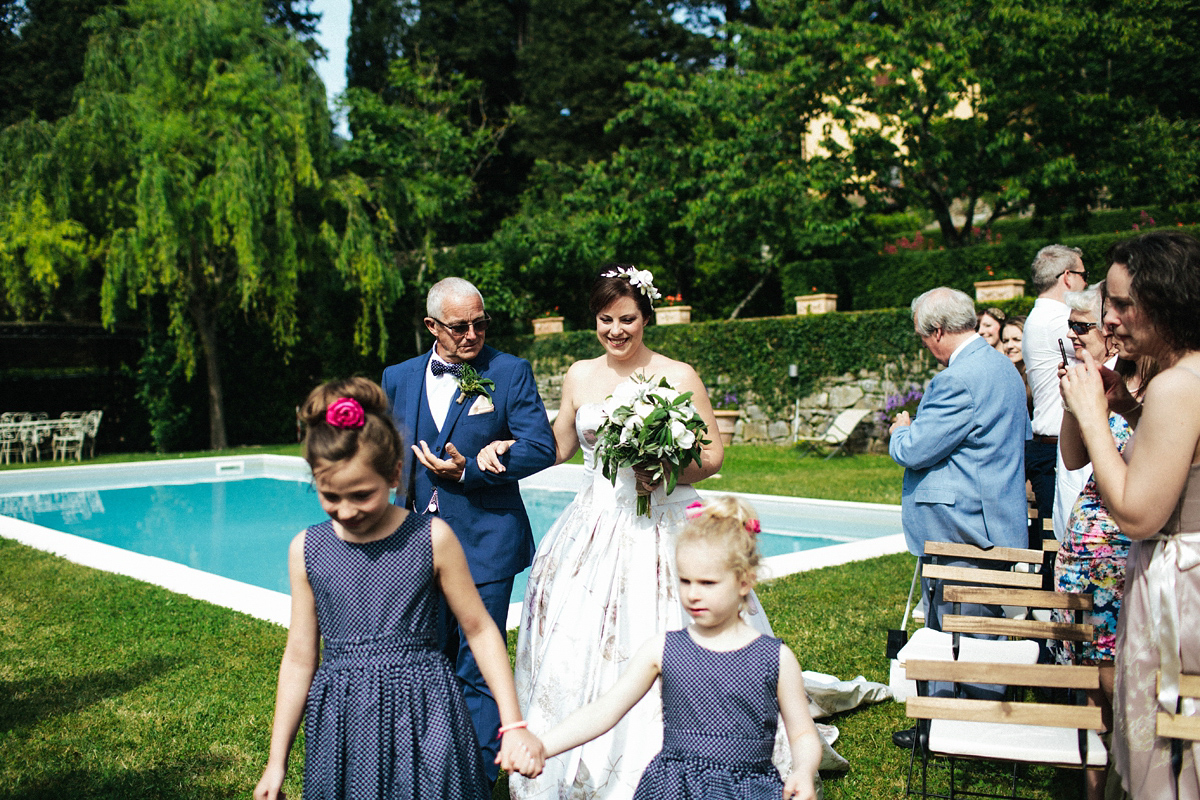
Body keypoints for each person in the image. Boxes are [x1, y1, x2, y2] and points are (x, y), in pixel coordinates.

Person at [493, 265, 781, 799]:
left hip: (662, 525)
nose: (616, 330)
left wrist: (670, 470)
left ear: (645, 317)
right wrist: (503, 447)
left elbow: (713, 455)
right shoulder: (580, 374)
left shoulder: (678, 373)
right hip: (591, 526)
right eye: (605, 320)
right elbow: (559, 445)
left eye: (627, 318)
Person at [253, 378, 543, 800]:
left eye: (361, 495)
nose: (346, 510)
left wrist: (513, 724)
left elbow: (480, 630)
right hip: (343, 718)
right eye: (330, 496)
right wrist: (276, 762)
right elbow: (299, 657)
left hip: (427, 711)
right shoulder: (307, 550)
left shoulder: (431, 538)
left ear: (393, 475)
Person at [510, 497, 822, 800]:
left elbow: (802, 733)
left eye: (708, 583)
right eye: (685, 581)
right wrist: (543, 745)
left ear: (744, 582)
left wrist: (804, 771)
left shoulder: (774, 658)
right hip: (674, 787)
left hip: (747, 789)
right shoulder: (664, 649)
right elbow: (605, 710)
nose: (693, 594)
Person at [380, 277, 556, 781]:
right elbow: (390, 452)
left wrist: (473, 469)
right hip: (415, 543)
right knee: (425, 663)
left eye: (480, 323)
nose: (472, 334)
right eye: (459, 327)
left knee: (478, 666)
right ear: (433, 326)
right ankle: (426, 770)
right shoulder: (398, 377)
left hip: (486, 541)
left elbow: (539, 446)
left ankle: (473, 784)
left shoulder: (509, 371)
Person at [1059, 231, 1200, 798]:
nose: (1108, 319)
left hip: (1181, 600)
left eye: (1121, 304)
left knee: (1173, 754)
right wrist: (1127, 410)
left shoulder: (1178, 384)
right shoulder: (1182, 381)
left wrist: (1095, 416)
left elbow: (1140, 515)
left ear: (1166, 302)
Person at [888, 287, 1030, 747]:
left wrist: (900, 430)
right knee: (968, 623)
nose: (925, 347)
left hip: (962, 526)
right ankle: (947, 721)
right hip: (992, 515)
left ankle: (960, 727)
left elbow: (916, 450)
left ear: (940, 332)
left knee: (958, 626)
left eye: (923, 337)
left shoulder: (957, 379)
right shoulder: (1004, 368)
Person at [1051, 283, 1133, 800]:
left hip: (1122, 557)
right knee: (1085, 680)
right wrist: (1072, 399)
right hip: (1083, 555)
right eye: (1070, 327)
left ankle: (1125, 781)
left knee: (1114, 682)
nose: (1073, 334)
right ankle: (1093, 790)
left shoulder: (1149, 387)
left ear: (1112, 330)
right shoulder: (1098, 384)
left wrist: (1103, 402)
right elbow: (1074, 456)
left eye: (1082, 326)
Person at [1024, 244, 1091, 543]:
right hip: (1057, 449)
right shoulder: (1058, 321)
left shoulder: (1038, 317)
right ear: (1068, 277)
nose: (1086, 283)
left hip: (1050, 446)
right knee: (1062, 544)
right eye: (1084, 275)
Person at [1000, 315, 1032, 416]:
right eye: (1005, 341)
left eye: (1016, 340)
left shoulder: (1035, 377)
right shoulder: (1009, 376)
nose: (1009, 346)